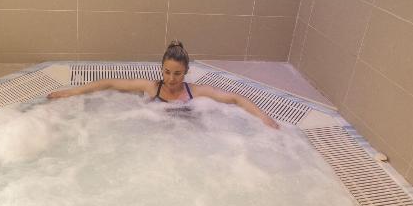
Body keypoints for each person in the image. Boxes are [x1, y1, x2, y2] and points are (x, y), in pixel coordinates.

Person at [47, 41, 280, 129]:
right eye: (167, 72)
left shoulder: (195, 92)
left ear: (186, 72)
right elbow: (109, 83)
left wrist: (262, 117)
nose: (171, 78)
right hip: (157, 134)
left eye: (177, 74)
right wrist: (72, 92)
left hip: (188, 135)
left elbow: (235, 98)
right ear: (161, 69)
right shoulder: (151, 88)